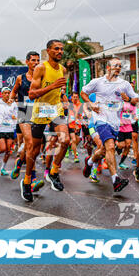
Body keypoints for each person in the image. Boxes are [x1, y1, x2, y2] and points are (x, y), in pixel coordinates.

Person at [81, 57, 139, 193]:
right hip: (100, 119)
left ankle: (90, 162)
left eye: (120, 66)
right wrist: (91, 103)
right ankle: (115, 180)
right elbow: (83, 93)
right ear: (108, 68)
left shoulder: (124, 84)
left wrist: (129, 99)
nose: (118, 68)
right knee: (111, 147)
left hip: (115, 123)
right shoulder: (98, 82)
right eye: (115, 65)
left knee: (103, 150)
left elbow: (136, 99)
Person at [21, 40, 68, 202]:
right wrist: (53, 86)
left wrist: (63, 95)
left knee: (66, 140)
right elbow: (32, 94)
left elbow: (60, 90)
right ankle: (27, 181)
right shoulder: (41, 68)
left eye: (62, 49)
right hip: (40, 110)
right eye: (56, 49)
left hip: (56, 109)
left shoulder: (63, 69)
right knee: (34, 150)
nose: (60, 51)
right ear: (48, 51)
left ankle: (54, 172)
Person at [10, 51, 40, 180]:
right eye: (33, 60)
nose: (36, 63)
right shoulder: (20, 78)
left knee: (34, 146)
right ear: (27, 62)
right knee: (30, 143)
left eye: (38, 60)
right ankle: (31, 178)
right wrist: (12, 99)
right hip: (24, 110)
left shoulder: (42, 78)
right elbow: (14, 91)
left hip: (38, 113)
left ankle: (19, 162)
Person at [0, 87, 18, 176]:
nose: (7, 94)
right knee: (3, 148)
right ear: (2, 94)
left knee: (8, 151)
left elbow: (16, 116)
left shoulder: (13, 104)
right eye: (5, 93)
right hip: (0, 128)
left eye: (8, 93)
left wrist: (14, 118)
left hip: (9, 128)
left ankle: (3, 168)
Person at [67, 92, 84, 163]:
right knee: (73, 140)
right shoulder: (70, 105)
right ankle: (75, 156)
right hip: (71, 125)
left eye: (76, 97)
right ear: (71, 98)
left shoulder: (81, 105)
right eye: (74, 97)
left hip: (78, 125)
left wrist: (79, 122)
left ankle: (69, 147)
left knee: (77, 140)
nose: (75, 98)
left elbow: (80, 115)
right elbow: (71, 114)